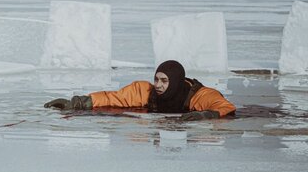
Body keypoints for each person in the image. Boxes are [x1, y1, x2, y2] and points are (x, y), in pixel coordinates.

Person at [44, 60, 236, 119]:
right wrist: (76, 103)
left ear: (176, 82)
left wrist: (204, 116)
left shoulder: (199, 95)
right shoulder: (145, 91)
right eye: (156, 79)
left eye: (164, 81)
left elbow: (223, 105)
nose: (158, 85)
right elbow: (114, 98)